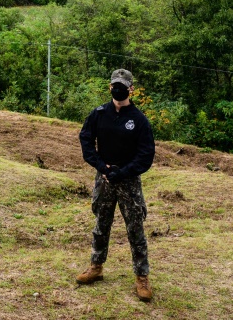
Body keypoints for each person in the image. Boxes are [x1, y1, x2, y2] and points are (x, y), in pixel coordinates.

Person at [76, 68, 156, 302]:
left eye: (123, 85)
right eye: (115, 84)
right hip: (104, 178)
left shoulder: (139, 120)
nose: (118, 88)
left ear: (131, 89)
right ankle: (96, 267)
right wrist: (101, 166)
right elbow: (86, 139)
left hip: (128, 181)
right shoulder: (99, 114)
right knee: (101, 224)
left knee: (135, 229)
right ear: (110, 86)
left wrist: (123, 171)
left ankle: (142, 277)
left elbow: (146, 154)